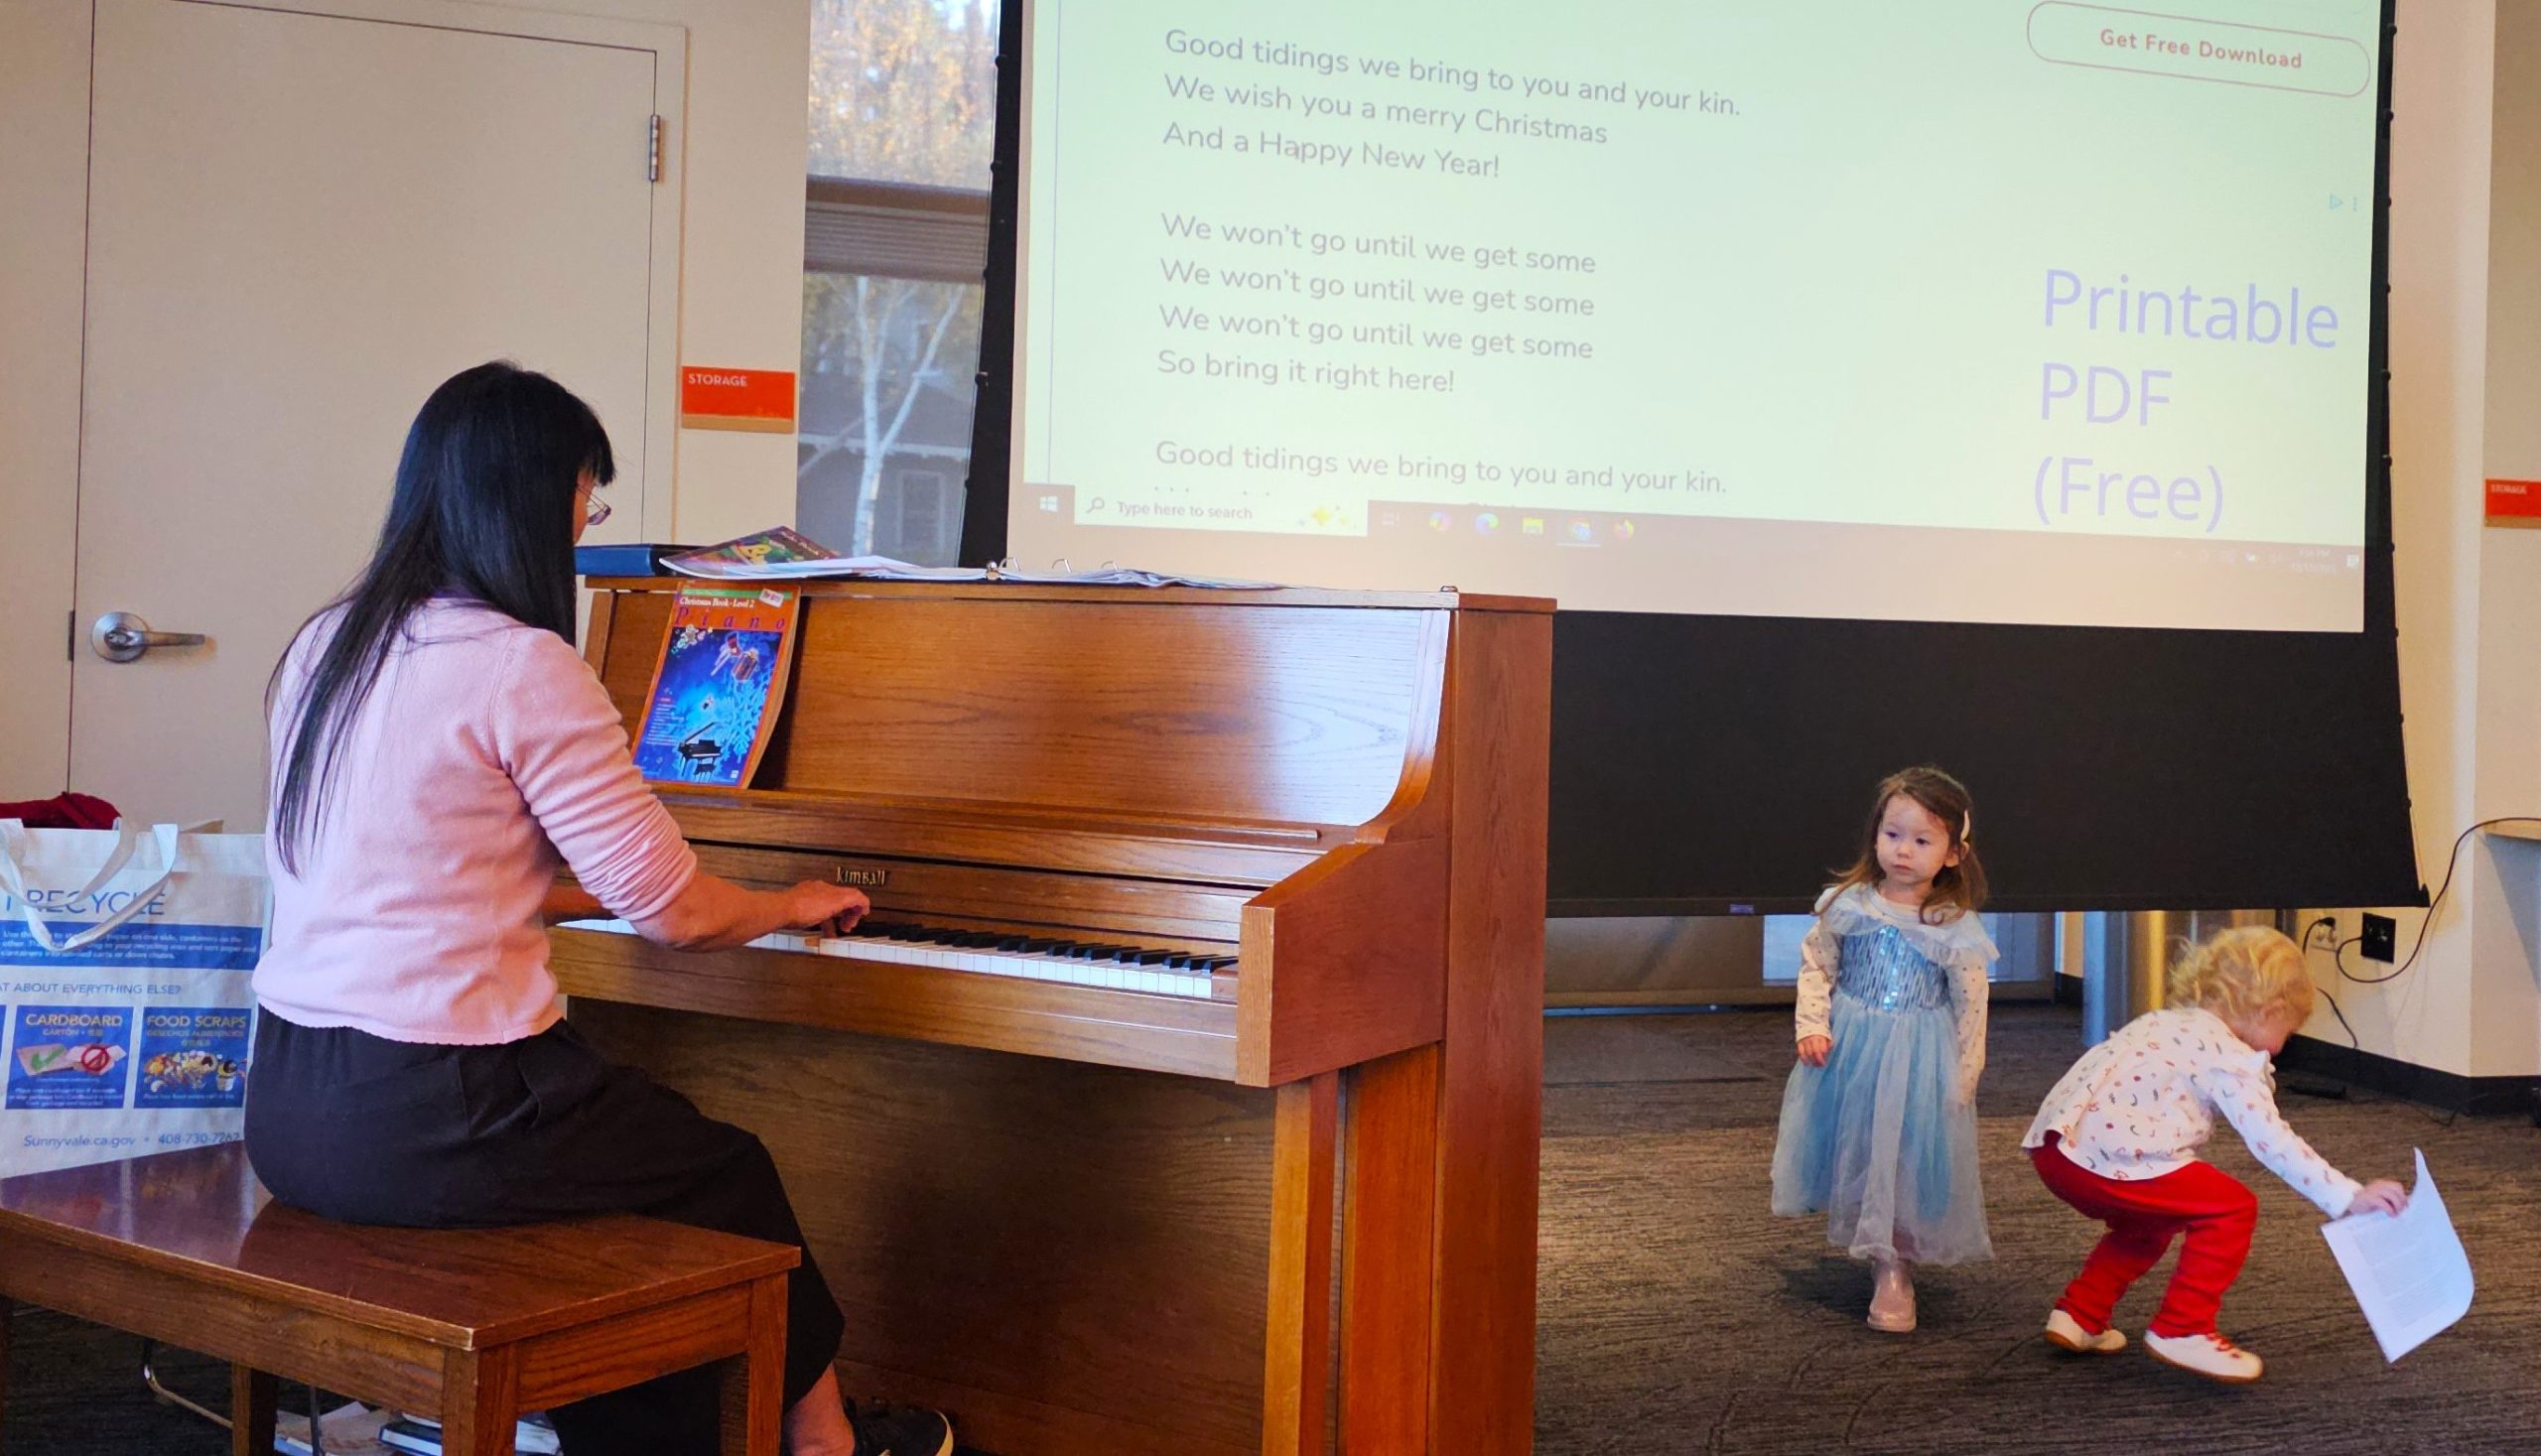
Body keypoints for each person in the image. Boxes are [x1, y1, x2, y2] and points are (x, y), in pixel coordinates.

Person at [245, 362, 952, 1456]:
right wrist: (790, 900)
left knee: (645, 1182)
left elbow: (434, 872)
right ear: (530, 499)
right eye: (588, 496)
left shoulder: (327, 646)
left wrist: (625, 900)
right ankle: (824, 1440)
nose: (587, 522)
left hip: (293, 1102)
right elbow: (674, 914)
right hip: (440, 1112)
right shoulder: (524, 665)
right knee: (730, 1172)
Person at [2024, 925, 2408, 1383]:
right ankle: (2183, 1327)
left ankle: (2080, 1314)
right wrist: (2347, 1196)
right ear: (2269, 1010)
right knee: (2231, 1207)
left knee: (2148, 1225)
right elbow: (2273, 1142)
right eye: (2286, 1031)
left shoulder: (2162, 1022)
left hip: (2055, 1150)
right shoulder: (2228, 1055)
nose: (2280, 1047)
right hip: (2112, 1159)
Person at [1770, 766, 1995, 1333]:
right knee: (1861, 1146)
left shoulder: (1954, 925)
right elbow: (1818, 965)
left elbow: (1971, 1007)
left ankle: (1896, 1264)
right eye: (1893, 834)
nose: (1903, 850)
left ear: (1951, 853)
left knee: (1907, 1157)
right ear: (1875, 835)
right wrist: (1811, 1024)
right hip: (1855, 1048)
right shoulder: (1849, 904)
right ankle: (1878, 1254)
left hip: (1920, 1055)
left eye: (1922, 840)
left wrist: (1964, 1079)